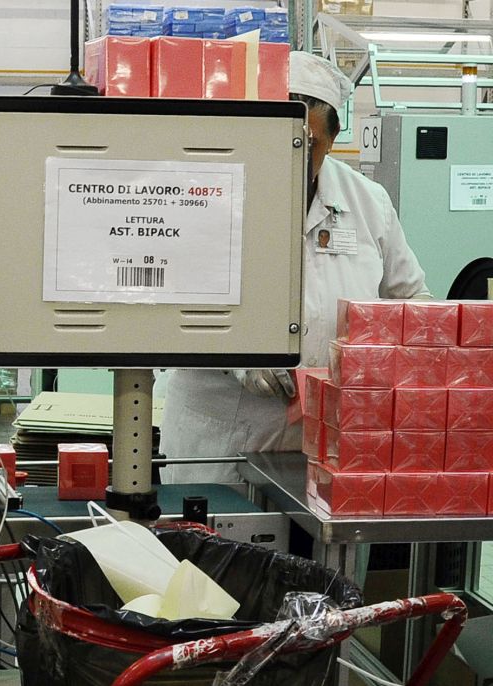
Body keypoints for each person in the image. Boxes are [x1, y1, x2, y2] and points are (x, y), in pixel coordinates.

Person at [160, 53, 429, 484]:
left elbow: (413, 301)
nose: (295, 156)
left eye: (310, 143)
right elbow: (168, 296)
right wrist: (237, 354)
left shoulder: (367, 202)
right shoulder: (209, 190)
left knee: (312, 527)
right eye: (283, 140)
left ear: (334, 139)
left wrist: (381, 360)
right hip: (223, 437)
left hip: (326, 436)